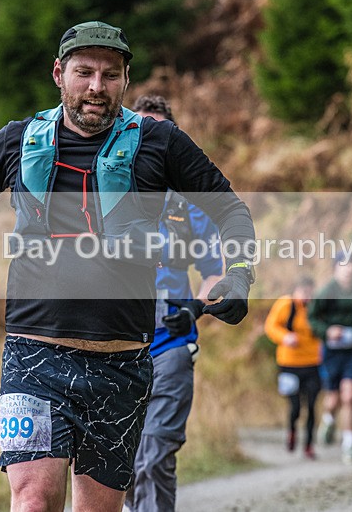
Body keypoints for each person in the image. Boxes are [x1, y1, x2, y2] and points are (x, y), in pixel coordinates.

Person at [0, 21, 255, 512]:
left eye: (110, 75)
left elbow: (230, 210)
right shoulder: (18, 140)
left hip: (121, 365)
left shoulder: (160, 143)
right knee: (33, 500)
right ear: (59, 74)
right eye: (84, 73)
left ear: (125, 80)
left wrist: (239, 272)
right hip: (34, 359)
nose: (97, 87)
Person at [124, 95, 224, 512]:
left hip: (171, 343)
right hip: (115, 348)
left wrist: (195, 308)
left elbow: (216, 273)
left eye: (160, 132)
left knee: (156, 453)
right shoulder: (106, 195)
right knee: (121, 463)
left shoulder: (189, 207)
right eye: (142, 130)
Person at [307, 253, 352, 464]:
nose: (348, 269)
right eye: (344, 265)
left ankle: (349, 445)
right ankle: (328, 419)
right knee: (333, 399)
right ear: (335, 269)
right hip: (331, 352)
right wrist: (327, 331)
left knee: (349, 396)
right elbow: (312, 318)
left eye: (351, 265)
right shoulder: (326, 292)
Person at [264, 276, 321, 460]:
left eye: (309, 292)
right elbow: (271, 326)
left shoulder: (316, 307)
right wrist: (285, 337)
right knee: (295, 405)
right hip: (288, 364)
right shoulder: (285, 305)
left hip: (313, 363)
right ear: (295, 290)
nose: (306, 296)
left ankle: (309, 445)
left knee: (311, 405)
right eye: (303, 292)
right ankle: (292, 431)